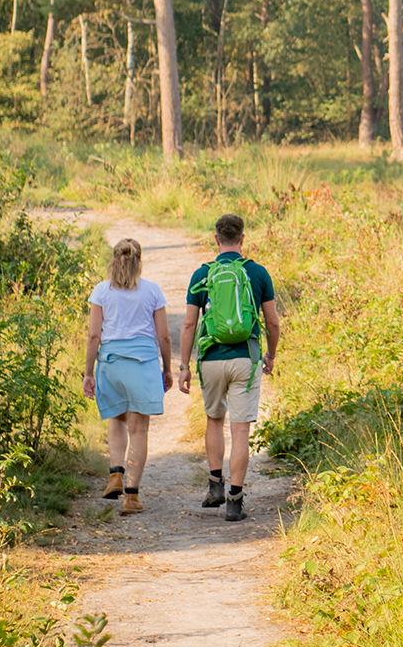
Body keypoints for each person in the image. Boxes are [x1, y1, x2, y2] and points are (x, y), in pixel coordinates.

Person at [180, 213, 281, 522]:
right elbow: (273, 322)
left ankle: (215, 487)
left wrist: (183, 365)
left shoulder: (201, 275)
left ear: (216, 239)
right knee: (240, 431)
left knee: (213, 420)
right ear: (242, 239)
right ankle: (235, 502)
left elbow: (188, 324)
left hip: (211, 358)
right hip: (245, 360)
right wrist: (271, 356)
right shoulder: (257, 273)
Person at [81, 237, 172, 515]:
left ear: (114, 260)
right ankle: (131, 497)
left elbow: (94, 336)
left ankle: (115, 474)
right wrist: (167, 369)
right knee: (139, 429)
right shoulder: (152, 291)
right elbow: (165, 336)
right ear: (140, 262)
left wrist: (88, 373)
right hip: (142, 365)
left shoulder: (101, 291)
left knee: (117, 419)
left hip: (111, 364)